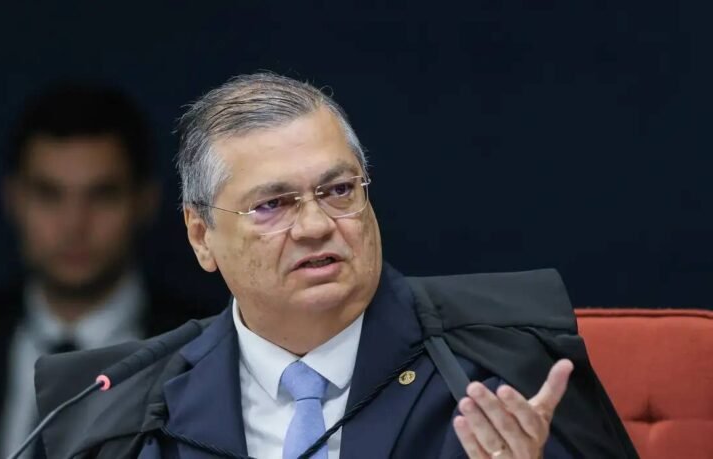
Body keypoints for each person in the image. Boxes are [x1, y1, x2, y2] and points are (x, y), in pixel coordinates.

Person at [34, 74, 638, 458]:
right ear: (202, 236)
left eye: (339, 190)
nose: (316, 225)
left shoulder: (503, 361)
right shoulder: (117, 413)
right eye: (273, 204)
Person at [0, 84, 224, 459]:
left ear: (145, 202)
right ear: (13, 199)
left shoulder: (208, 357)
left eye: (102, 195)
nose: (74, 224)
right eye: (49, 194)